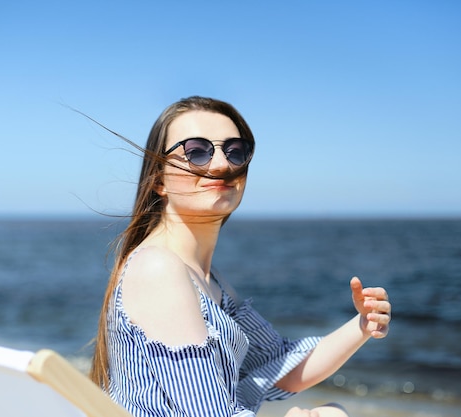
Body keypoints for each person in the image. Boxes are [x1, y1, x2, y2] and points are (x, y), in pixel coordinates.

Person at [89, 96, 391, 417]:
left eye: (235, 151)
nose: (222, 165)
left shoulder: (210, 280)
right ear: (159, 179)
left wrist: (362, 324)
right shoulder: (158, 269)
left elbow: (278, 365)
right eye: (196, 151)